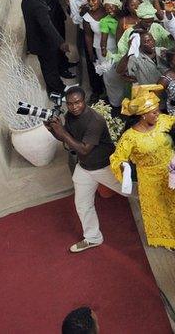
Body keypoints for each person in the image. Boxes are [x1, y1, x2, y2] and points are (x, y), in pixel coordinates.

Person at [109, 85, 175, 249]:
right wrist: (124, 169)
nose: (158, 114)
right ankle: (168, 240)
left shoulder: (164, 122)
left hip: (173, 171)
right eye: (153, 112)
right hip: (149, 179)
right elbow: (117, 158)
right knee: (160, 209)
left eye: (157, 110)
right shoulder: (130, 137)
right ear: (142, 115)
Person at [44, 87, 121, 253]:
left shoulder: (95, 120)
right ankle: (93, 238)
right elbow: (68, 138)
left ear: (84, 100)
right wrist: (52, 129)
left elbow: (85, 149)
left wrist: (62, 133)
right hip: (85, 168)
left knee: (133, 191)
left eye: (77, 102)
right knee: (82, 204)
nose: (74, 107)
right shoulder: (70, 116)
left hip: (104, 166)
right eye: (70, 104)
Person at [22, 0, 71, 96]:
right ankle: (56, 90)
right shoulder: (38, 4)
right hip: (43, 42)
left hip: (36, 40)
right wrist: (61, 42)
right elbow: (46, 26)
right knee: (49, 67)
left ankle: (58, 86)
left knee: (47, 65)